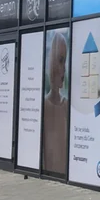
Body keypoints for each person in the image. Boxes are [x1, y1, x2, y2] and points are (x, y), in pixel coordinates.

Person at [42, 32, 69, 175]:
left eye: (64, 61)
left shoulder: (66, 106)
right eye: (60, 60)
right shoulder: (44, 106)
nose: (64, 68)